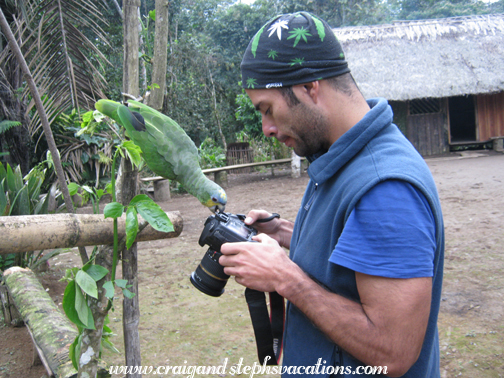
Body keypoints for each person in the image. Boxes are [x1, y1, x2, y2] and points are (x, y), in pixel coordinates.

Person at [219, 12, 444, 378]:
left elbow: (394, 350)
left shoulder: (385, 189)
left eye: (267, 109)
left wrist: (285, 278)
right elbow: (357, 250)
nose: (266, 128)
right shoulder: (340, 154)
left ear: (310, 87)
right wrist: (288, 234)